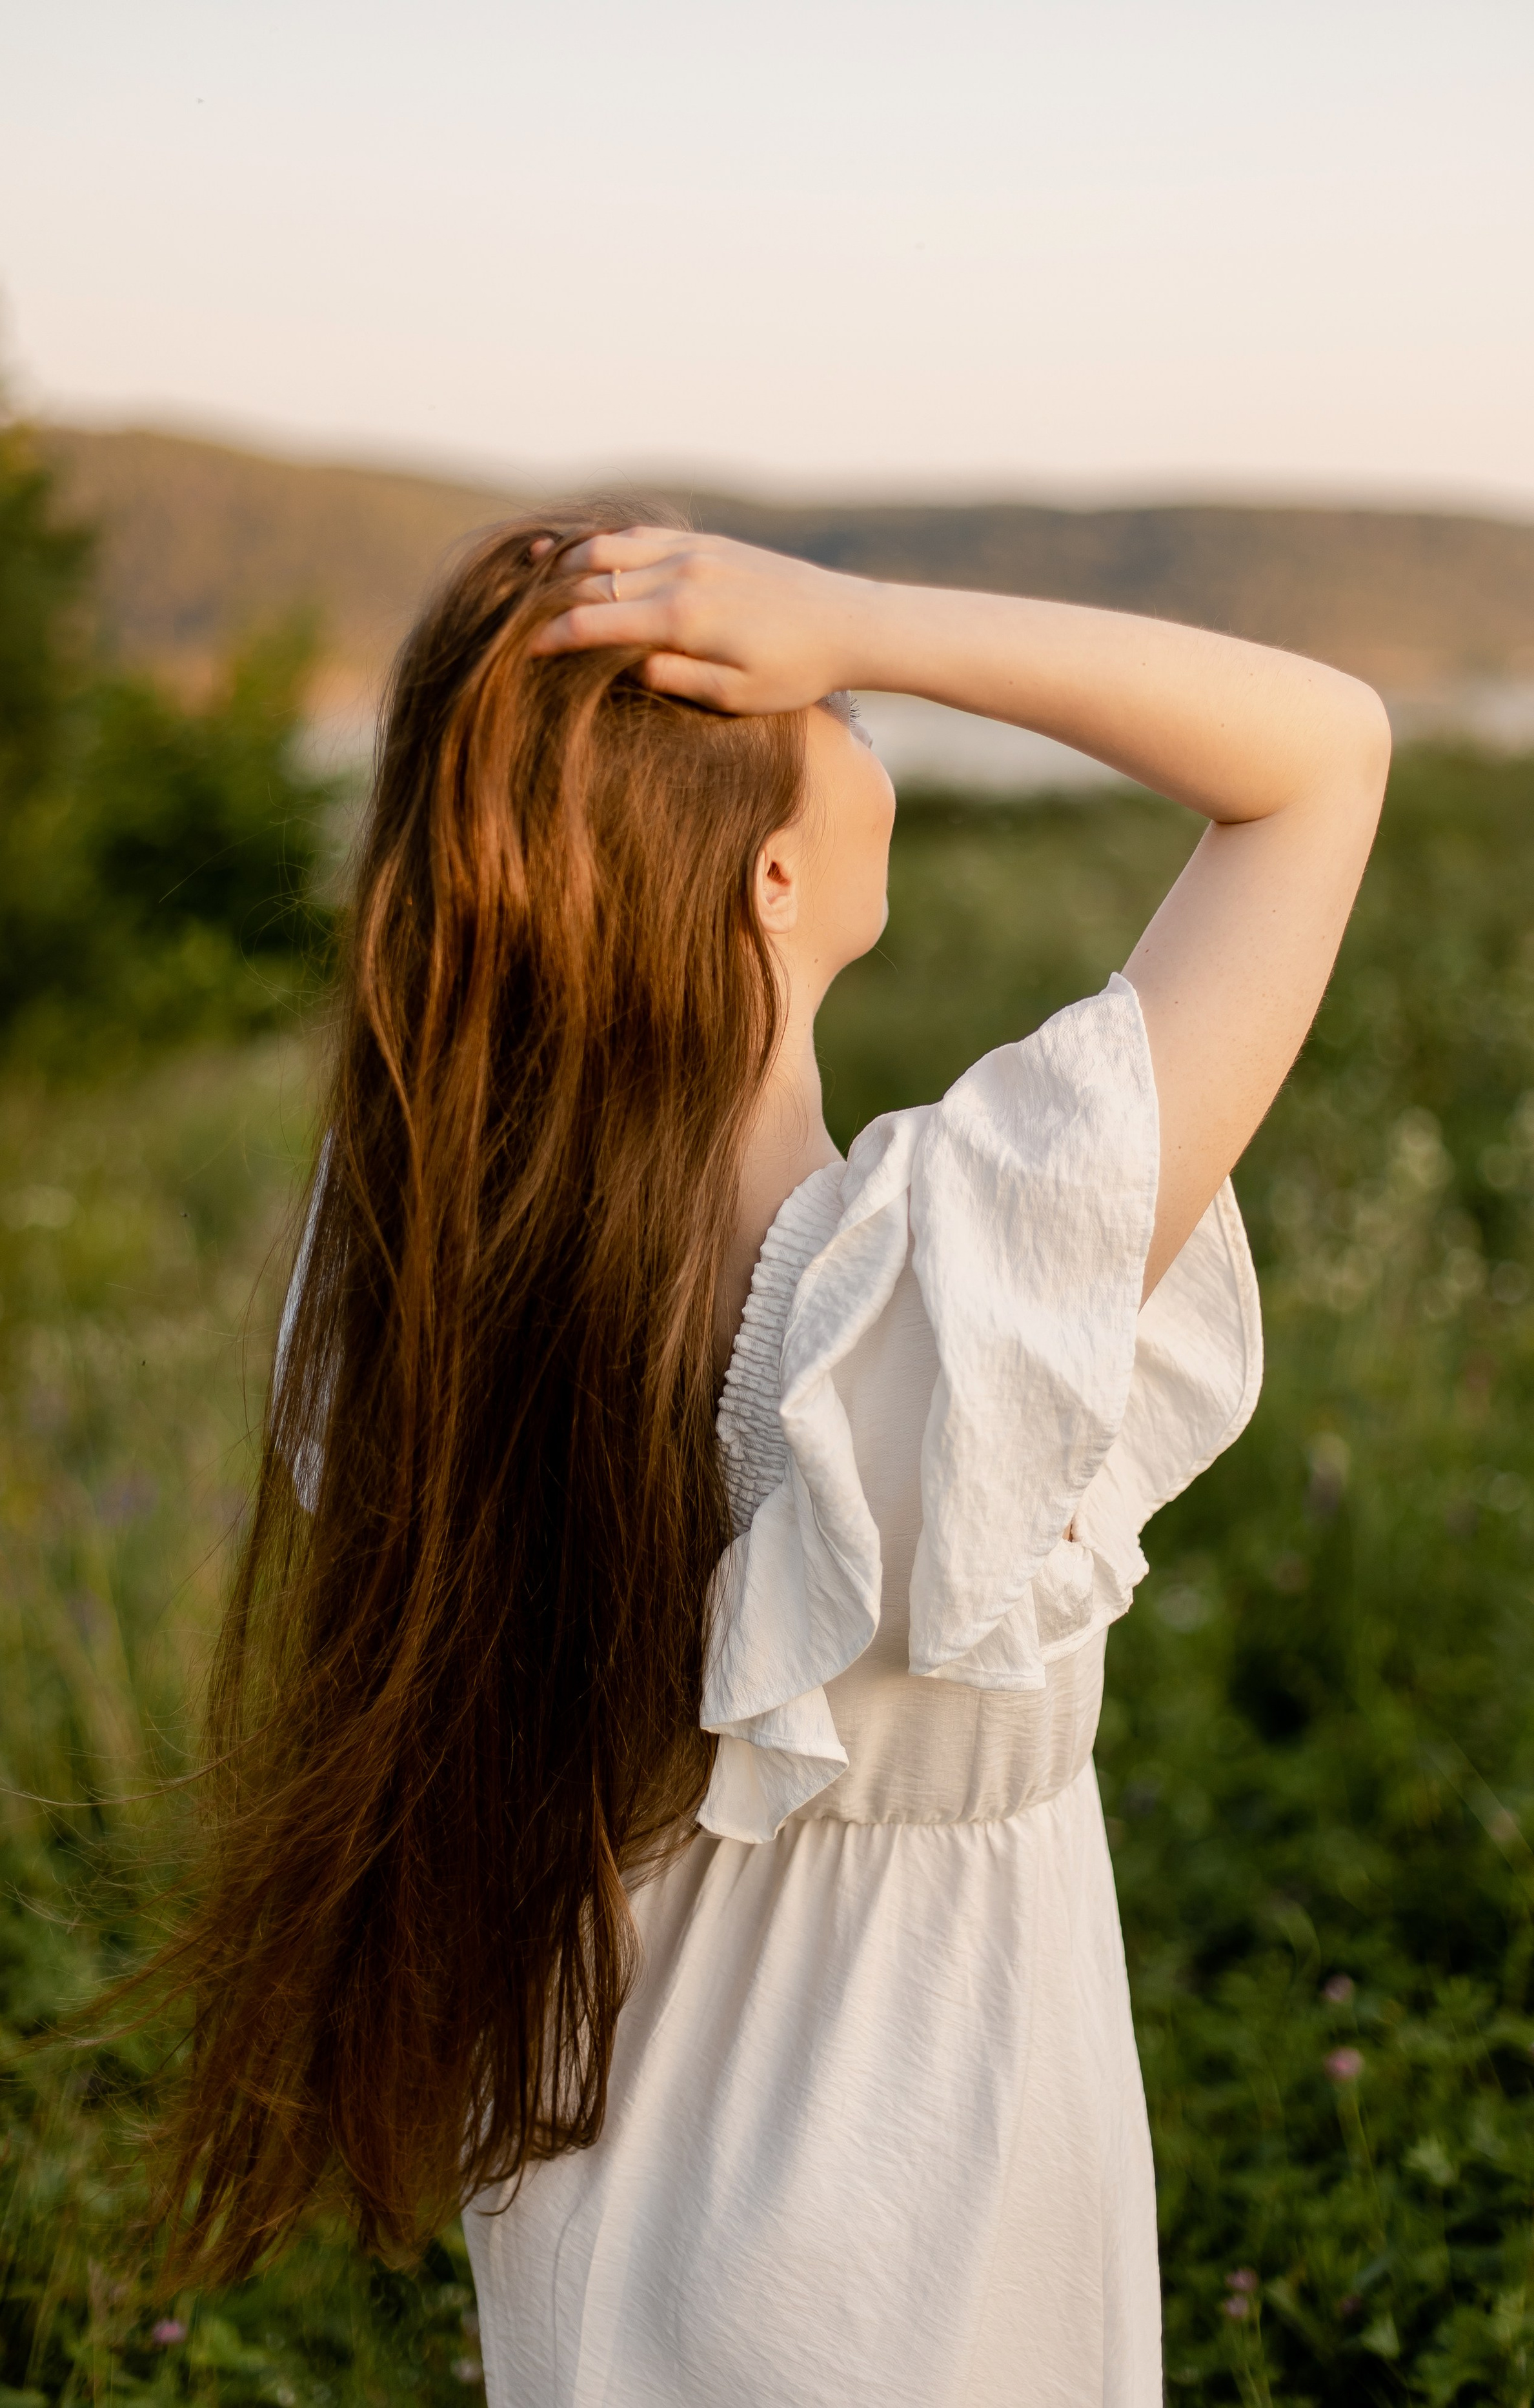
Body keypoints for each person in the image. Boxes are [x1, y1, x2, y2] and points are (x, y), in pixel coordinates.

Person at [147, 514, 1389, 2405]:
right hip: (915, 2274)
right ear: (778, 877)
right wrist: (863, 613)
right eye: (833, 709)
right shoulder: (932, 1302)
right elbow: (1322, 749)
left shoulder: (428, 1265)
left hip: (609, 2247)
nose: (853, 697)